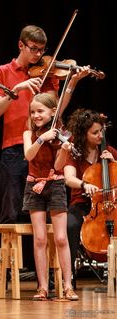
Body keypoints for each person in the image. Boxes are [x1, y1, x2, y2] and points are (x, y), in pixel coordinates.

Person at [0, 25, 90, 294]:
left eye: (42, 50)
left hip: (48, 155)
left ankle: (57, 282)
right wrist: (17, 88)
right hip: (14, 149)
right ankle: (2, 277)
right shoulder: (2, 72)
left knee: (52, 228)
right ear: (20, 45)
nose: (38, 55)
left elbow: (57, 110)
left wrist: (72, 82)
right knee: (9, 212)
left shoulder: (48, 75)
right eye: (33, 49)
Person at [22, 93, 77, 300]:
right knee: (40, 238)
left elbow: (57, 166)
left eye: (40, 111)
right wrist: (41, 139)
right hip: (34, 185)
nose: (36, 115)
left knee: (61, 238)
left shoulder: (62, 134)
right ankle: (42, 287)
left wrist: (63, 149)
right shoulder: (29, 133)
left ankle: (67, 286)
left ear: (53, 112)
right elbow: (28, 155)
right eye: (33, 111)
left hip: (55, 184)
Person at [64, 108, 117, 287]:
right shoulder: (75, 153)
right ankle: (68, 274)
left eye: (101, 131)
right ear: (83, 134)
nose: (100, 135)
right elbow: (69, 178)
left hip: (109, 204)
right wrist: (84, 184)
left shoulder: (109, 151)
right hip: (82, 203)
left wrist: (115, 163)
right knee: (70, 225)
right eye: (95, 132)